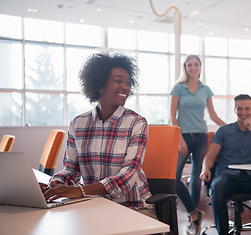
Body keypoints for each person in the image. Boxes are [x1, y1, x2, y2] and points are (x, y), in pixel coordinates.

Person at [39, 52, 155, 218]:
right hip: (92, 205)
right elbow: (70, 169)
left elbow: (127, 177)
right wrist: (55, 185)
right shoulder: (77, 124)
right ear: (99, 84)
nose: (125, 87)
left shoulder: (136, 123)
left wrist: (80, 190)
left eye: (128, 83)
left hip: (132, 207)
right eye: (118, 81)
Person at [200, 94, 251, 235]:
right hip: (227, 177)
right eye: (239, 109)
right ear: (235, 110)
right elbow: (210, 156)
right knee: (218, 186)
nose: (243, 112)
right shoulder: (224, 131)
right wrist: (205, 169)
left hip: (249, 179)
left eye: (247, 109)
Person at [170, 54, 226, 234]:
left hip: (202, 136)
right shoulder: (178, 88)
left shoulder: (206, 89)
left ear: (200, 67)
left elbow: (213, 115)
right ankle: (194, 212)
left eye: (195, 64)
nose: (192, 68)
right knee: (174, 178)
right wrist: (179, 138)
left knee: (196, 178)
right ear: (185, 68)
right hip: (183, 136)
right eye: (189, 65)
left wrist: (231, 127)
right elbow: (172, 115)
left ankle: (191, 220)